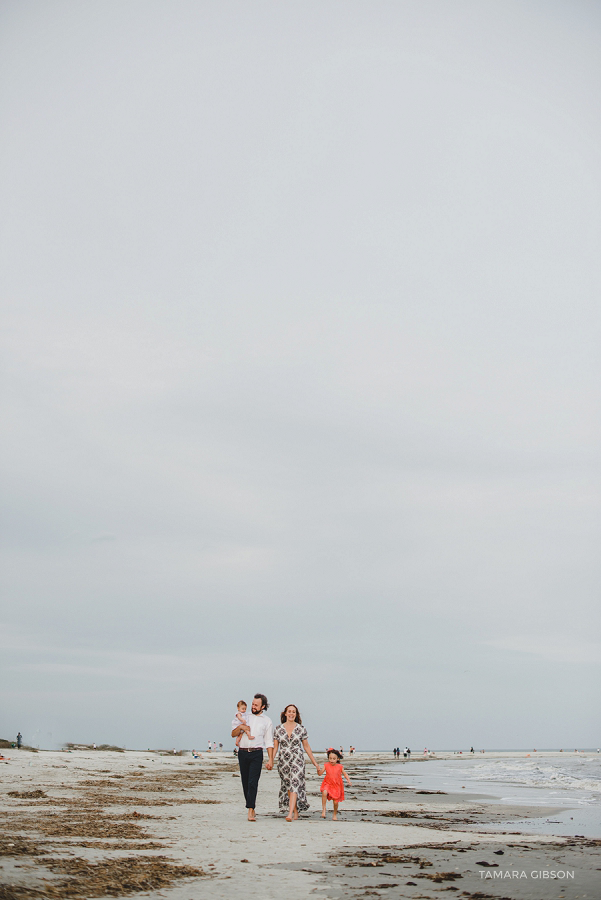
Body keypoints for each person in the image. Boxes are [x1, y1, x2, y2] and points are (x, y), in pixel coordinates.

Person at [231, 693, 274, 822]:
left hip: (257, 753)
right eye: (253, 704)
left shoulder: (267, 721)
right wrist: (241, 727)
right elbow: (233, 733)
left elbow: (269, 742)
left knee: (253, 782)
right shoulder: (244, 716)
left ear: (263, 706)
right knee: (245, 782)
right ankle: (251, 805)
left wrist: (271, 759)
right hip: (243, 752)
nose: (253, 706)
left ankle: (251, 809)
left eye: (256, 705)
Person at [273, 704, 320, 822]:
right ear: (285, 713)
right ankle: (295, 811)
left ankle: (290, 814)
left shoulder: (301, 729)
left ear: (296, 714)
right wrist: (270, 760)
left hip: (297, 759)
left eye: (293, 712)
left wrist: (315, 763)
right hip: (283, 760)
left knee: (294, 782)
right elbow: (275, 747)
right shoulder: (278, 729)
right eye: (289, 711)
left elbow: (306, 747)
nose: (291, 714)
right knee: (289, 785)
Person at [318, 748, 352, 820]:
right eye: (330, 758)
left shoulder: (340, 766)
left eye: (334, 758)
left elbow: (345, 774)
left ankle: (334, 814)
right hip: (327, 783)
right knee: (324, 792)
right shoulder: (326, 765)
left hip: (336, 785)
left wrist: (348, 780)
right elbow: (320, 774)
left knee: (335, 802)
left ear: (338, 759)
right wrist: (318, 770)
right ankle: (324, 809)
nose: (332, 760)